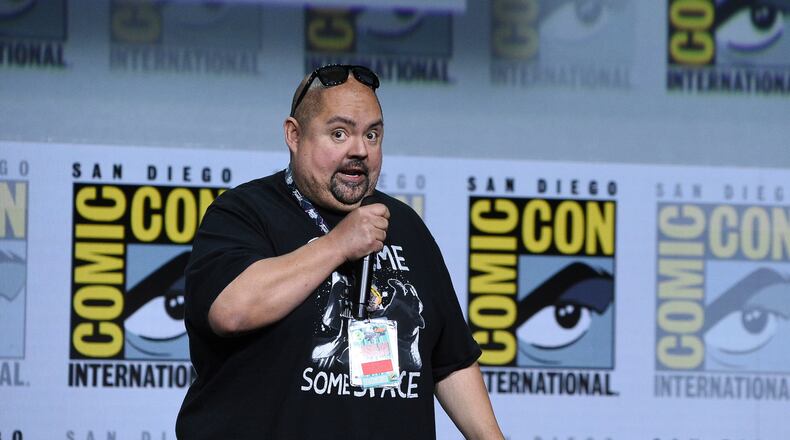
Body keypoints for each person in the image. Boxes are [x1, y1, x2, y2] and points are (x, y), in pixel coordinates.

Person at [176, 64, 503, 439]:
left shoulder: (405, 226)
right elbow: (231, 311)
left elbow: (451, 361)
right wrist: (337, 245)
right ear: (294, 135)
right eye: (339, 133)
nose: (360, 150)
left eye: (373, 134)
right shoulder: (244, 213)